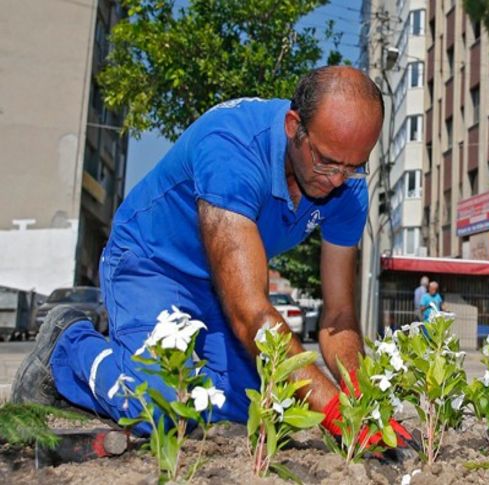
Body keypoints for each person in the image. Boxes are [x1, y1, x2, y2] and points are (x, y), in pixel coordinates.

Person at [12, 66, 411, 445]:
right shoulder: (231, 148)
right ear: (294, 127)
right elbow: (249, 312)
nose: (339, 179)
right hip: (152, 265)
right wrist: (335, 414)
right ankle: (68, 345)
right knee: (165, 403)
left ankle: (120, 372)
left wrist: (363, 401)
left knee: (264, 408)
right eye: (326, 160)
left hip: (218, 290)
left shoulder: (348, 185)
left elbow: (339, 316)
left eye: (354, 165)